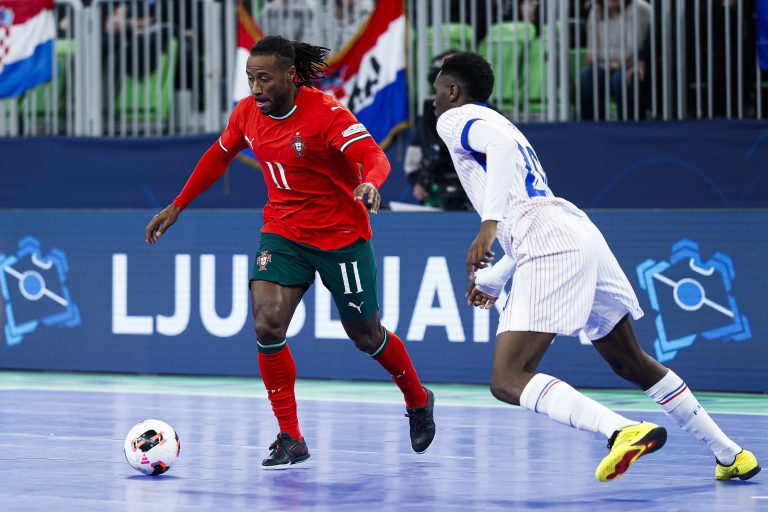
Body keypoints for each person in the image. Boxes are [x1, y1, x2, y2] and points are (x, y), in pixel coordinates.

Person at [432, 51, 760, 482]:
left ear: (454, 91)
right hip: (574, 231)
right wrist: (496, 275)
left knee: (507, 379)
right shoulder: (505, 125)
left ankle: (621, 430)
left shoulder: (455, 120)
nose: (434, 101)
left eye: (437, 92)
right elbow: (527, 206)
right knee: (630, 360)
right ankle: (730, 453)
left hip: (548, 238)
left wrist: (487, 226)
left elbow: (510, 186)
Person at [145, 35, 436, 469]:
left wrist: (371, 182)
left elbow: (374, 156)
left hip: (340, 237)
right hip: (283, 232)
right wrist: (178, 204)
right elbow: (217, 156)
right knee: (266, 322)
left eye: (264, 78)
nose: (255, 88)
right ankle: (291, 436)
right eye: (250, 79)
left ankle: (417, 398)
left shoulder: (326, 113)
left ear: (291, 76)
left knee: (366, 335)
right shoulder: (247, 114)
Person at [405, 49, 471, 210]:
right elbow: (412, 161)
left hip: (476, 195)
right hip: (436, 195)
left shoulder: (489, 114)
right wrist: (418, 182)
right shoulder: (429, 116)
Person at [580, 0, 652, 120]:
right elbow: (591, 54)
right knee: (586, 77)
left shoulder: (639, 8)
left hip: (636, 65)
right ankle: (591, 129)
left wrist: (606, 56)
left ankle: (629, 127)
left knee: (620, 79)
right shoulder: (596, 11)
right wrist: (615, 60)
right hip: (606, 66)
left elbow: (634, 49)